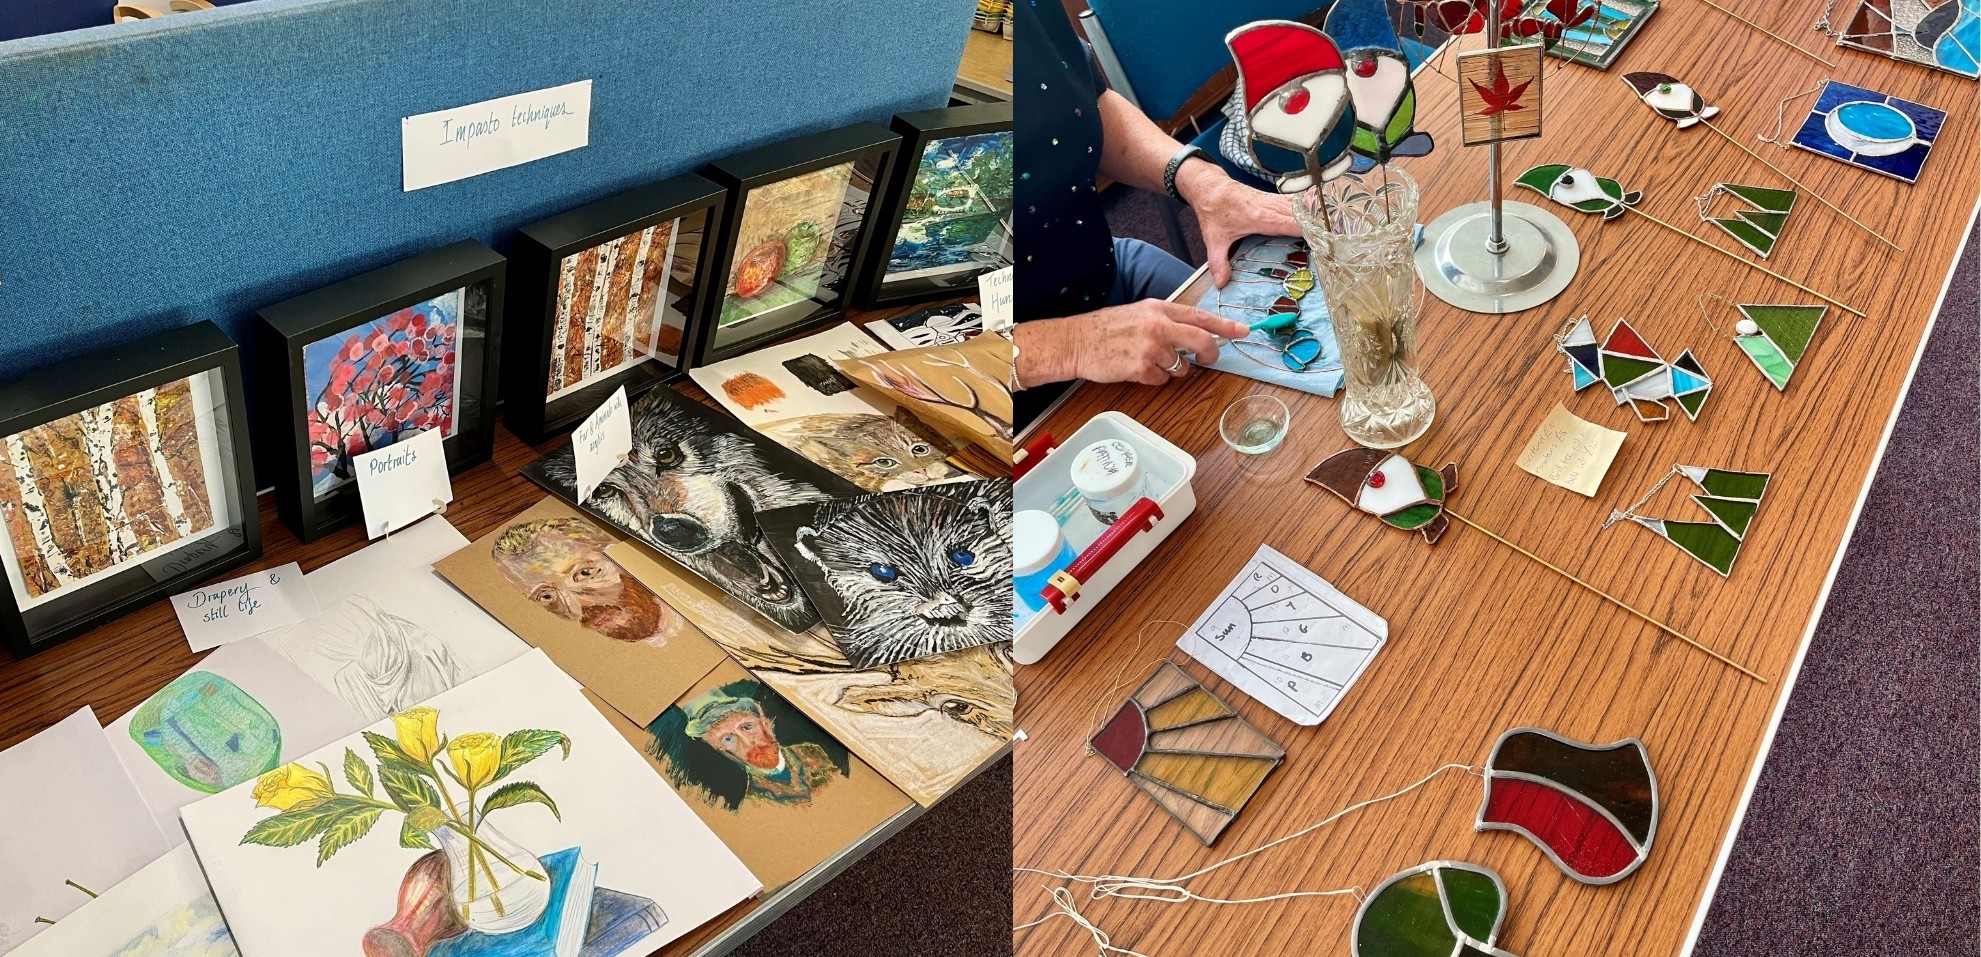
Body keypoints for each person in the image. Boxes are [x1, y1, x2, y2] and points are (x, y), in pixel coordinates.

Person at [1012, 2, 1302, 420]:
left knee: (1274, 381)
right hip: (999, 395)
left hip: (1102, 272)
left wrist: (1204, 183)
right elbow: (890, 367)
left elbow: (1080, 104)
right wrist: (1070, 345)